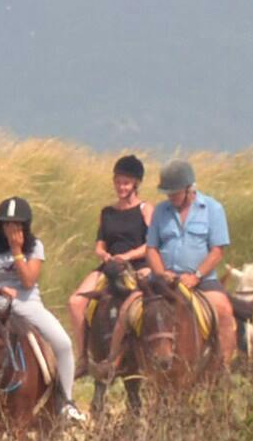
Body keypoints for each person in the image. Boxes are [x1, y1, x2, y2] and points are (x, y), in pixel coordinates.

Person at [0, 197, 81, 419]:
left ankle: (66, 403)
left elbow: (29, 281)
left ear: (25, 226)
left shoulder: (35, 247)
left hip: (29, 305)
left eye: (17, 225)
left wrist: (17, 250)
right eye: (6, 225)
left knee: (63, 344)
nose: (11, 229)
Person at [144, 160, 239, 371]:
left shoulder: (213, 209)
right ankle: (118, 361)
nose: (170, 198)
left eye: (175, 193)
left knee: (223, 310)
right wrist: (160, 273)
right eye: (168, 193)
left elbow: (217, 251)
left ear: (190, 189)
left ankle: (223, 365)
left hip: (201, 281)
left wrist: (195, 276)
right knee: (129, 308)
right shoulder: (161, 211)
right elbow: (151, 248)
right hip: (163, 281)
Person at [68, 154, 155, 345]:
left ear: (135, 184)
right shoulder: (107, 212)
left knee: (148, 302)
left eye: (126, 183)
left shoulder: (145, 209)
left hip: (138, 264)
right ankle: (83, 354)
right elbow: (100, 243)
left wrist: (127, 256)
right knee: (75, 302)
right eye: (118, 182)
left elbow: (151, 244)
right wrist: (102, 253)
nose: (121, 187)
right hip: (110, 265)